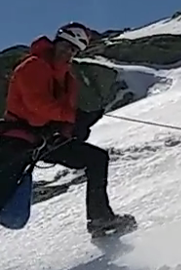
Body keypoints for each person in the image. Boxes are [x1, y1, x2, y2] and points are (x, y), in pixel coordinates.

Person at [0, 23, 135, 237]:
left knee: (96, 159)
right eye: (66, 45)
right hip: (16, 140)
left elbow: (64, 114)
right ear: (56, 42)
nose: (68, 52)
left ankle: (100, 218)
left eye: (73, 50)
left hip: (42, 140)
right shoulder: (32, 66)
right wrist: (76, 117)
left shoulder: (68, 79)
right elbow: (37, 105)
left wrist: (75, 129)